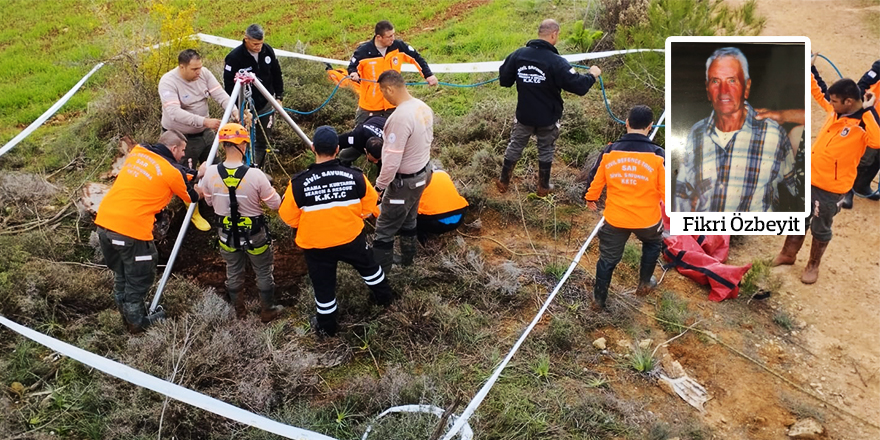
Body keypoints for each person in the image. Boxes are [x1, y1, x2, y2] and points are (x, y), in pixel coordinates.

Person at [278, 126, 394, 337]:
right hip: (351, 238)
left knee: (323, 287)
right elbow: (370, 207)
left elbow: (288, 218)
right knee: (370, 269)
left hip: (316, 245)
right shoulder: (356, 176)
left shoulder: (297, 183)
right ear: (338, 149)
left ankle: (327, 327)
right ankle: (386, 300)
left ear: (313, 148)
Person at [772, 67, 879, 284]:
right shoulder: (835, 111)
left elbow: (877, 141)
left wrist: (869, 111)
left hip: (831, 188)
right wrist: (808, 66)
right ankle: (788, 253)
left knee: (821, 226)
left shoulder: (863, 124)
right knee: (799, 216)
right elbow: (819, 90)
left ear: (849, 102)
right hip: (809, 177)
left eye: (835, 101)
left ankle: (813, 265)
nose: (830, 104)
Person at [95, 130, 202, 334]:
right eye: (182, 151)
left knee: (121, 273)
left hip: (105, 224)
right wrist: (204, 187)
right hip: (131, 230)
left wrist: (197, 173)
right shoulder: (172, 172)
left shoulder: (138, 152)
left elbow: (165, 169)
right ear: (174, 148)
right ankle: (137, 323)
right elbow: (192, 196)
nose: (183, 155)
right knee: (139, 275)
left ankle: (127, 313)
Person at [674, 47, 798, 212]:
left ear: (746, 87)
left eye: (732, 80)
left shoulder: (773, 134)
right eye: (715, 81)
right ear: (707, 90)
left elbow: (796, 191)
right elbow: (682, 195)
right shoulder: (696, 133)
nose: (723, 91)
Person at [497, 19, 601, 197]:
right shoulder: (556, 61)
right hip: (548, 116)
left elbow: (504, 80)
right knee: (546, 148)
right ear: (554, 34)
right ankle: (543, 186)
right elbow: (579, 86)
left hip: (524, 114)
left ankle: (503, 181)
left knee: (516, 144)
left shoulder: (518, 55)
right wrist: (592, 75)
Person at [197, 123, 284, 323]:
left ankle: (239, 312)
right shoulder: (256, 175)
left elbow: (209, 202)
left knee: (233, 270)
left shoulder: (210, 173)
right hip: (255, 235)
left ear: (223, 146)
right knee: (263, 271)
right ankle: (268, 310)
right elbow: (275, 204)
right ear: (243, 145)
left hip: (226, 235)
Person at [584, 106, 665, 310]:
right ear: (650, 126)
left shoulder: (610, 151)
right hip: (647, 220)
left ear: (627, 123)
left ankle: (599, 299)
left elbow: (596, 178)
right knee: (653, 243)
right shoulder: (658, 154)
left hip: (615, 219)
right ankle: (644, 283)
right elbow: (667, 190)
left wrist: (590, 198)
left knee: (607, 259)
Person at [160, 49, 237, 231]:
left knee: (215, 166)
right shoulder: (168, 82)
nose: (198, 72)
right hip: (182, 138)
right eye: (194, 69)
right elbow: (174, 112)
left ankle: (219, 200)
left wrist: (234, 111)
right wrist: (204, 121)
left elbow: (220, 95)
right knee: (187, 176)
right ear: (182, 67)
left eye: (200, 67)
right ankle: (193, 213)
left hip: (205, 133)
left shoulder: (204, 74)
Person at [370, 70, 434, 274]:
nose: (383, 96)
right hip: (423, 173)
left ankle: (380, 273)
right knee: (409, 218)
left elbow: (391, 162)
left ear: (389, 89)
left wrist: (379, 188)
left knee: (384, 228)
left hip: (404, 183)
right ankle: (408, 260)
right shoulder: (422, 107)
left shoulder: (399, 118)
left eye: (382, 91)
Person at [347, 20, 438, 126]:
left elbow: (416, 58)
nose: (393, 38)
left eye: (393, 35)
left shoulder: (398, 46)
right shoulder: (363, 51)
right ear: (379, 37)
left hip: (393, 104)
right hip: (369, 107)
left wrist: (428, 75)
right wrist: (354, 73)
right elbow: (352, 67)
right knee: (361, 134)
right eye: (389, 36)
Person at [223, 24, 284, 169]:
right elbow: (229, 86)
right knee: (241, 140)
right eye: (255, 44)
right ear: (246, 39)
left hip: (266, 103)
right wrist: (237, 109)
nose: (259, 47)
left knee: (262, 140)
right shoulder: (234, 57)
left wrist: (279, 97)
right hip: (244, 107)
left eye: (261, 43)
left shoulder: (267, 51)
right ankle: (240, 169)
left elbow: (276, 73)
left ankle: (256, 170)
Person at [416, 166, 469, 243]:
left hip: (434, 222)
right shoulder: (443, 173)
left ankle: (420, 237)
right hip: (460, 216)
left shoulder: (416, 178)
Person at [852, 59, 880, 200]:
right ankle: (847, 186)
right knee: (865, 157)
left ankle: (862, 185)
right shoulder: (878, 68)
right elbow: (861, 86)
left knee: (878, 158)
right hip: (872, 119)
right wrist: (865, 108)